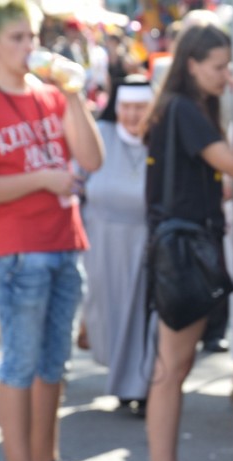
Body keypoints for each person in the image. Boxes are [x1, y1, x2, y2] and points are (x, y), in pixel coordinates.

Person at [0, 0, 104, 461]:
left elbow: (92, 159)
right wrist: (41, 179)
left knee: (53, 363)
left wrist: (76, 96)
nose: (27, 47)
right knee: (20, 363)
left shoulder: (50, 95)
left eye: (31, 37)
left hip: (64, 241)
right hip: (18, 251)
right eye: (17, 38)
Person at [141, 22, 233, 461]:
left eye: (229, 67)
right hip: (183, 251)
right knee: (170, 370)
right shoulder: (184, 110)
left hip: (180, 246)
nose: (226, 76)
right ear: (192, 64)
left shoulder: (180, 107)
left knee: (174, 367)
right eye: (219, 67)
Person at [80, 76, 153, 417]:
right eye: (126, 107)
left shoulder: (160, 141)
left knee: (143, 316)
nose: (132, 115)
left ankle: (141, 384)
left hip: (147, 241)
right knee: (111, 312)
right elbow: (77, 180)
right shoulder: (101, 135)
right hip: (103, 240)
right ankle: (124, 381)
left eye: (140, 108)